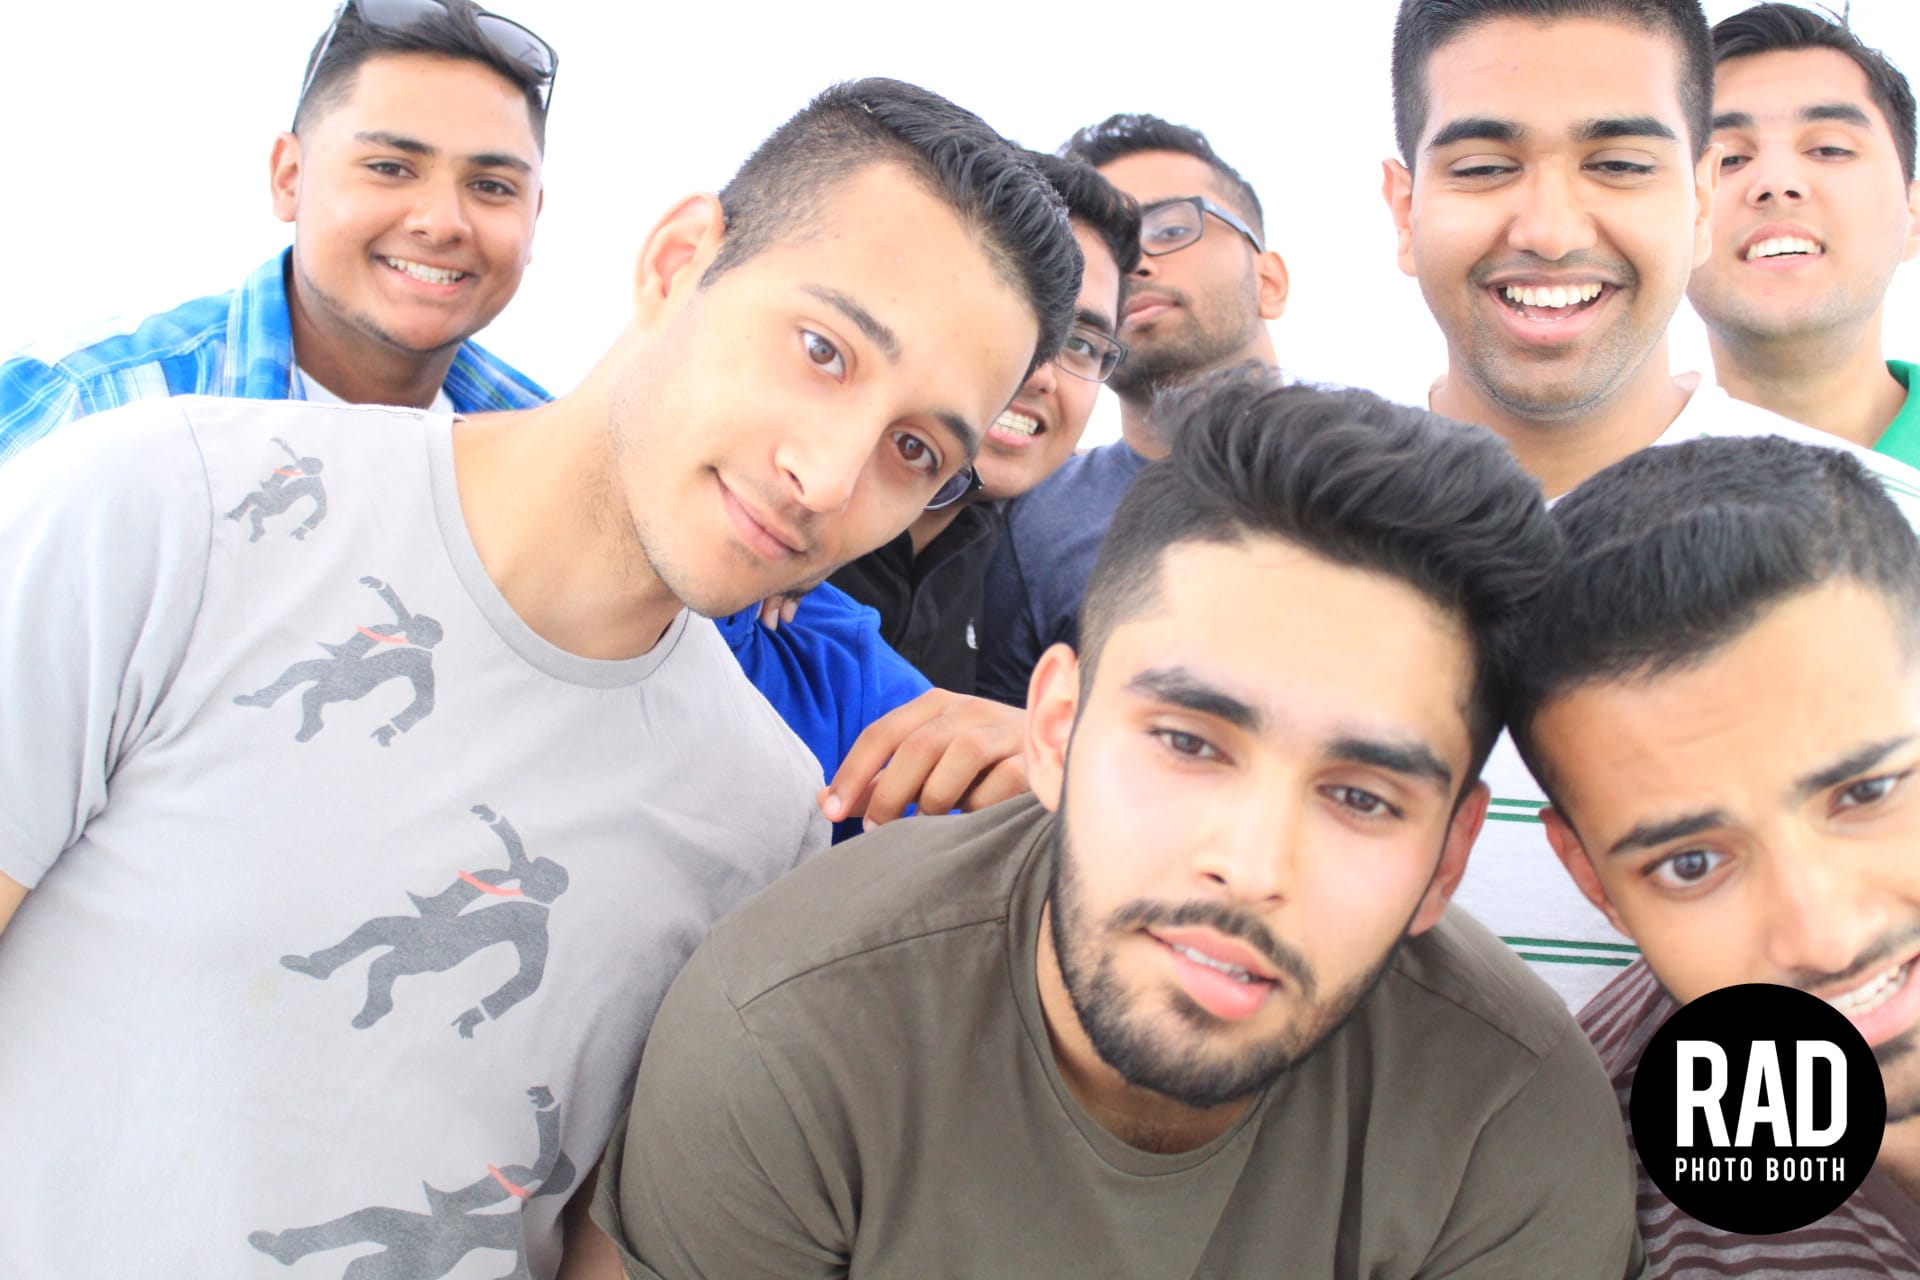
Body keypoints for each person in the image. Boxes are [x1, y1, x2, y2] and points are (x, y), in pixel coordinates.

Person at [0, 76, 1080, 1277]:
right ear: (677, 261)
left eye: (914, 449)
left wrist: (1064, 803)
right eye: (822, 350)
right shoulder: (170, 511)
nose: (828, 477)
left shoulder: (764, 812)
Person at [574, 373, 1646, 1279]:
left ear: (1447, 857)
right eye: (1187, 742)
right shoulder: (790, 1030)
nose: (1249, 865)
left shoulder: (1510, 1118)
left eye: (1362, 798)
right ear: (1055, 729)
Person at [1383, 0, 1920, 1008]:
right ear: (1403, 205)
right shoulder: (1286, 556)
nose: (1549, 230)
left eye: (1621, 164)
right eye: (1486, 166)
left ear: (1702, 203)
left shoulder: (1897, 528)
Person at [1503, 435, 1920, 1274]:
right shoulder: (1598, 1186)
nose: (1822, 937)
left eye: (1867, 792)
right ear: (1593, 882)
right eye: (1691, 864)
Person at [0, 0, 554, 465]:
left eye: (491, 186)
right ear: (289, 178)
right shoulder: (87, 408)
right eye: (390, 168)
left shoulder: (557, 469)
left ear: (534, 216)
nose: (441, 223)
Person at [977, 114, 1288, 706]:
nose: (1135, 264)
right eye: (1106, 255)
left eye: (1172, 228)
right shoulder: (1023, 521)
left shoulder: (1406, 477)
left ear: (1269, 281)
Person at [821, 152, 1137, 694]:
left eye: (1082, 343)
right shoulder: (779, 498)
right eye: (1016, 318)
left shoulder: (1018, 558)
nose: (1040, 373)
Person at [1689, 3, 1920, 468]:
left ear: (1912, 215)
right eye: (1729, 159)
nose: (1776, 182)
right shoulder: (1586, 495)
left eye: (1829, 149)